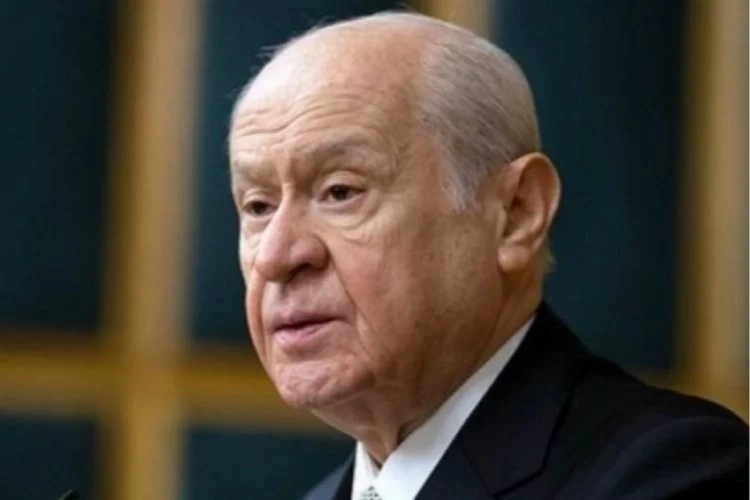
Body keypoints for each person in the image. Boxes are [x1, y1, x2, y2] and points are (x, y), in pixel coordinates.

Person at [228, 12, 748, 500]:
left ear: (517, 213)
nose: (276, 256)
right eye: (257, 206)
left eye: (341, 192)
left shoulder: (673, 475)